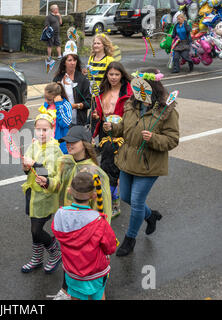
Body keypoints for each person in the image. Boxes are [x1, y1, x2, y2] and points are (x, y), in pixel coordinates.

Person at [103, 68, 179, 257]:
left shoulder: (166, 111)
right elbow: (124, 129)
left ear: (152, 86)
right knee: (126, 197)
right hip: (128, 160)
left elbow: (172, 139)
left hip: (149, 164)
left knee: (137, 201)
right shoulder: (132, 105)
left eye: (141, 86)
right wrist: (113, 128)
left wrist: (153, 138)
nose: (137, 90)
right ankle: (150, 215)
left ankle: (130, 239)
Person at [46, 125, 112, 300]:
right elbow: (58, 185)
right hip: (68, 224)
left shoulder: (95, 173)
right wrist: (46, 183)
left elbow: (103, 208)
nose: (68, 144)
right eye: (67, 141)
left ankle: (77, 290)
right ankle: (67, 289)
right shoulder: (65, 162)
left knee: (85, 264)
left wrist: (102, 237)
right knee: (69, 258)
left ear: (84, 144)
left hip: (87, 230)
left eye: (73, 141)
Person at [51, 171, 117, 300]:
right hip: (95, 272)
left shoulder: (60, 214)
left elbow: (56, 231)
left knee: (75, 295)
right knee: (99, 295)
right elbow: (110, 247)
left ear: (69, 191)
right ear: (93, 195)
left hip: (72, 272)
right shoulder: (99, 220)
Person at [21, 113, 63, 274]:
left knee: (36, 230)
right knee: (33, 227)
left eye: (45, 129)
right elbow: (30, 172)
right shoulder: (34, 145)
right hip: (32, 194)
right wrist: (26, 168)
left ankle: (55, 251)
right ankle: (37, 259)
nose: (41, 133)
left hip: (45, 196)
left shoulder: (55, 150)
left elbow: (51, 174)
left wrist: (35, 164)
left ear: (52, 130)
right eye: (38, 129)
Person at [92, 61, 132, 218]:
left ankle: (114, 202)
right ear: (106, 75)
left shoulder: (128, 92)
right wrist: (97, 115)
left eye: (117, 74)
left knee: (112, 167)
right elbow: (99, 111)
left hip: (120, 133)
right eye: (111, 74)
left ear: (122, 75)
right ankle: (111, 197)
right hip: (104, 131)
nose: (114, 77)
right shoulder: (102, 90)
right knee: (106, 165)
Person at [53, 48, 91, 127]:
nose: (72, 63)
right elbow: (51, 98)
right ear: (64, 62)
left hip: (78, 122)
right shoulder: (57, 79)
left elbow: (89, 102)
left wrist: (75, 106)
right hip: (61, 122)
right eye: (69, 60)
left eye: (74, 60)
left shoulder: (83, 79)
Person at [39, 82, 72, 154]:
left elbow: (65, 123)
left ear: (57, 97)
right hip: (48, 142)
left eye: (49, 99)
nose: (46, 101)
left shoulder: (65, 105)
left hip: (60, 144)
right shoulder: (47, 104)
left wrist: (58, 105)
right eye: (45, 97)